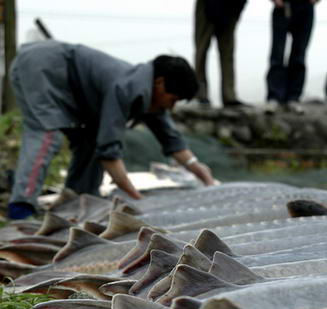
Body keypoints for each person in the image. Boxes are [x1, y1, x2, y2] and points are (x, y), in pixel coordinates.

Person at [8, 40, 217, 220]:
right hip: (42, 67)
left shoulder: (148, 93)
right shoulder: (126, 87)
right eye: (173, 100)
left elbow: (172, 139)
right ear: (160, 83)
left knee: (91, 139)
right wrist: (137, 199)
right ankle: (21, 208)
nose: (171, 107)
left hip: (62, 79)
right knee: (46, 134)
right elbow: (109, 152)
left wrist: (203, 174)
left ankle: (80, 199)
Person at [265, 0, 320, 115]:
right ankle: (274, 97)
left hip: (305, 8)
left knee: (299, 55)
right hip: (282, 7)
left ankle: (293, 98)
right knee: (277, 55)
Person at [193, 0, 247, 107]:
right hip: (206, 5)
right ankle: (200, 94)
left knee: (227, 53)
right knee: (202, 51)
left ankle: (229, 95)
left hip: (231, 8)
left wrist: (238, 9)